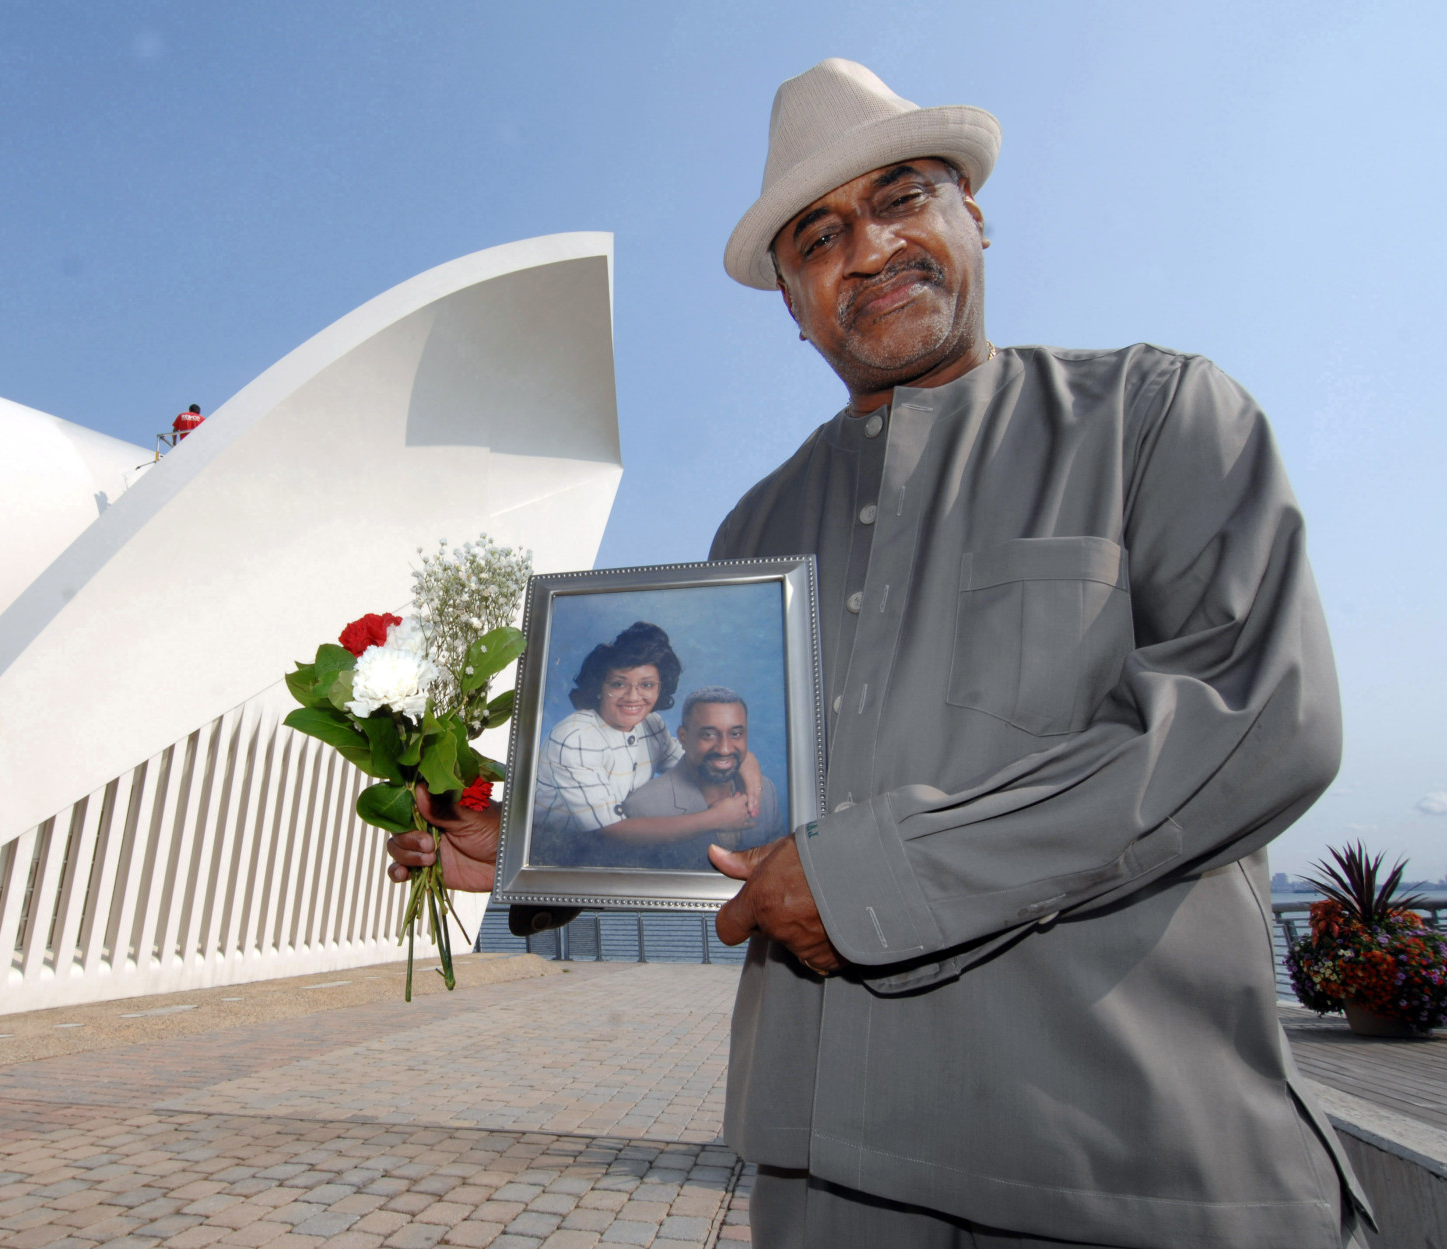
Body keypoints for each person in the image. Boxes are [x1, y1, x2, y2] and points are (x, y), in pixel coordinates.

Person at [391, 57, 1367, 1249]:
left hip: (1125, 1162)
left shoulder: (1154, 416)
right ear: (791, 300)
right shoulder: (752, 531)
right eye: (817, 237)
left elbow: (1258, 720)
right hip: (823, 1178)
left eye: (902, 197)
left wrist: (871, 877)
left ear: (973, 214)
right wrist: (538, 847)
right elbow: (730, 809)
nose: (867, 248)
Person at [530, 622, 762, 867]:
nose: (633, 696)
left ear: (661, 688)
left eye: (647, 685)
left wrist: (746, 759)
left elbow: (693, 760)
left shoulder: (651, 724)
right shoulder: (576, 737)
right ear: (599, 687)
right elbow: (610, 831)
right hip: (557, 853)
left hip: (621, 849)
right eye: (619, 684)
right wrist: (715, 818)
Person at [619, 686, 783, 870]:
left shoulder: (766, 792)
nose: (724, 749)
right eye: (708, 735)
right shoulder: (642, 808)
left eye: (735, 734)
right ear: (683, 737)